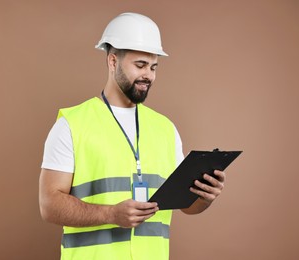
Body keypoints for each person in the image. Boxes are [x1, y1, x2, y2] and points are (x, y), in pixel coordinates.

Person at [39, 12, 225, 260]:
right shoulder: (71, 124)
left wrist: (205, 196)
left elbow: (187, 206)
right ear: (113, 61)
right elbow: (49, 205)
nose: (148, 75)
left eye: (153, 67)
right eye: (140, 65)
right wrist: (110, 215)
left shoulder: (165, 129)